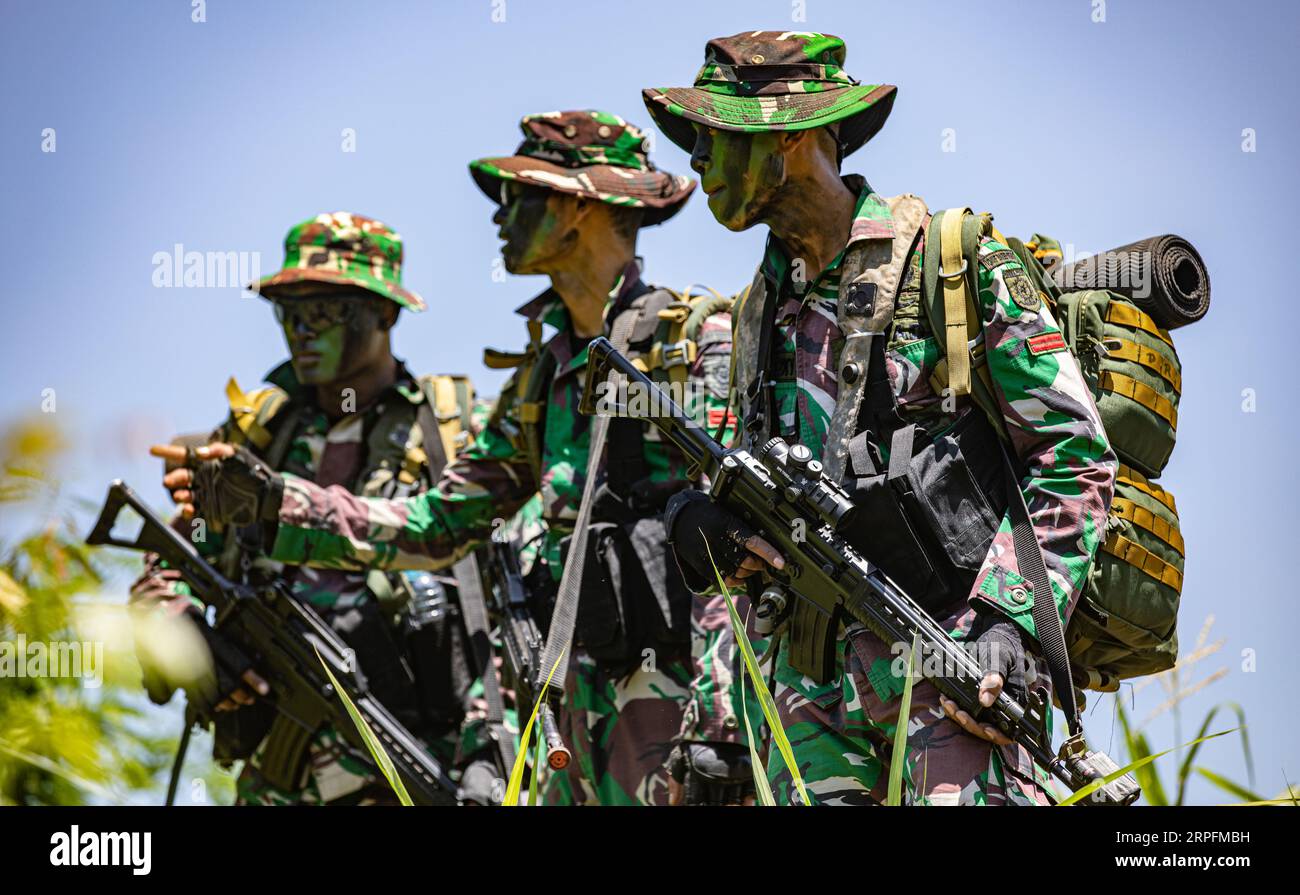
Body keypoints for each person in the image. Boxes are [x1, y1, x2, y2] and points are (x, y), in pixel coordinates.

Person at [162, 112, 750, 805]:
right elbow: (438, 526)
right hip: (571, 721)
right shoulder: (542, 377)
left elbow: (734, 549)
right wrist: (275, 500)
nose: (500, 219)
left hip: (675, 710)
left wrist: (720, 725)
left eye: (520, 197)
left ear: (579, 210)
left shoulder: (691, 345)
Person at [642, 31, 1116, 805]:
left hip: (954, 680)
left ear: (790, 136)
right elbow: (755, 489)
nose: (695, 158)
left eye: (712, 134)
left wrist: (1012, 623)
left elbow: (1073, 452)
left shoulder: (951, 263)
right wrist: (703, 522)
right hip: (807, 710)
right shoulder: (758, 308)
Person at [133, 212, 499, 805]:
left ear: (385, 313)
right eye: (290, 312)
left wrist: (491, 752)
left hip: (422, 759)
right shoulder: (257, 440)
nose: (302, 330)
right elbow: (166, 565)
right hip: (277, 776)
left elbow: (510, 599)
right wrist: (181, 629)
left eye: (325, 311)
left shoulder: (455, 435)